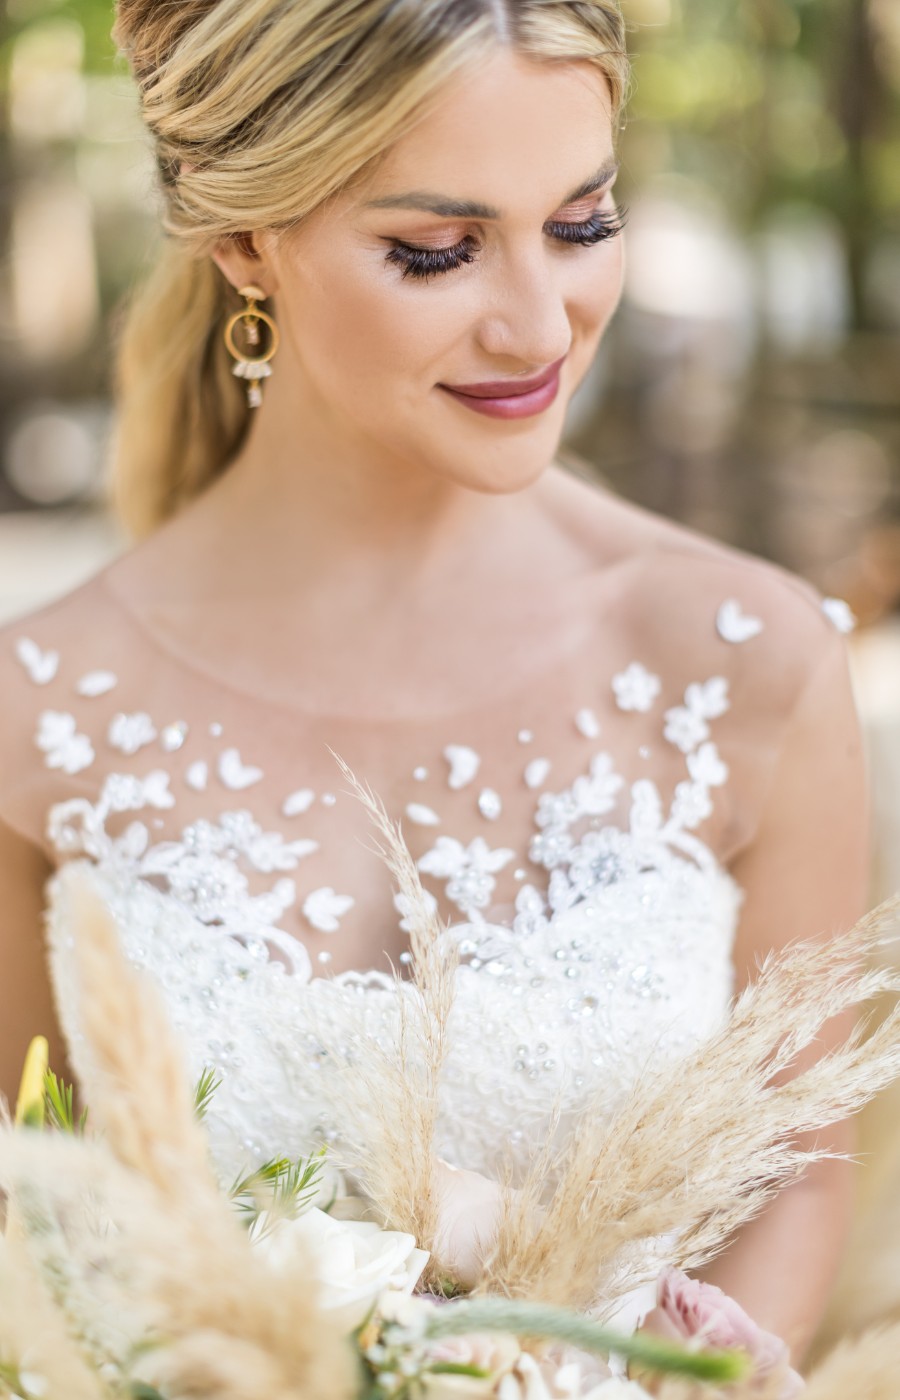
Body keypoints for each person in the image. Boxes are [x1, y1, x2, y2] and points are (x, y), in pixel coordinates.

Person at [0, 0, 868, 1364]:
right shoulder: (33, 709)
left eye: (583, 224)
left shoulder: (745, 662)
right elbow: (30, 1221)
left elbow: (808, 1162)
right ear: (244, 242)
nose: (542, 327)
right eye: (436, 252)